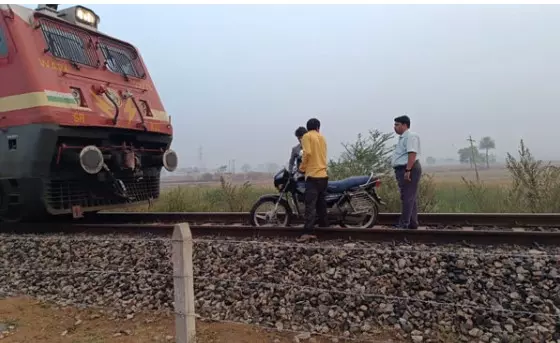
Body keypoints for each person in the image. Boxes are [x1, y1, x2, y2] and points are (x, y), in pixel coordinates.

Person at [298, 118, 328, 236]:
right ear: (318, 128)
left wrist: (302, 168)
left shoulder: (307, 136)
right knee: (321, 204)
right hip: (323, 175)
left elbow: (307, 153)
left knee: (310, 205)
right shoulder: (322, 138)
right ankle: (324, 227)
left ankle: (308, 231)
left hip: (313, 176)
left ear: (308, 127)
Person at [391, 115, 422, 229]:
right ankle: (412, 223)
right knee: (409, 197)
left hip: (409, 168)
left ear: (405, 125)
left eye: (397, 124)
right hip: (403, 169)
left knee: (407, 197)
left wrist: (408, 170)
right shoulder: (402, 138)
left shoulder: (411, 136)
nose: (395, 127)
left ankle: (404, 224)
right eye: (395, 124)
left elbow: (412, 154)